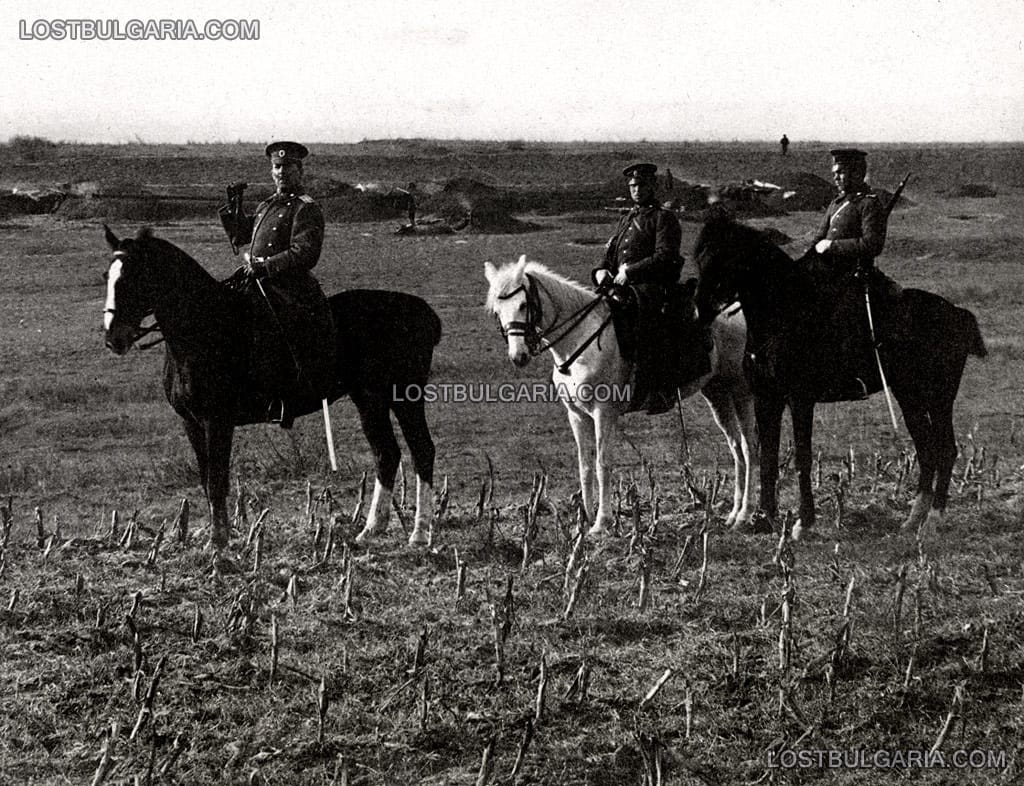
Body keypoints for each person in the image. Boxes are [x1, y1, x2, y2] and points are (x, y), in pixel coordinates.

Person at [218, 141, 337, 427]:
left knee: (273, 330)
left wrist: (265, 266)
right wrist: (234, 206)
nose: (281, 172)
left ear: (300, 171)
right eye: (276, 167)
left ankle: (284, 398)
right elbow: (241, 237)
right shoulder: (266, 205)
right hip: (257, 282)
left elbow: (305, 253)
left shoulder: (305, 208)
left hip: (288, 287)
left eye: (287, 167)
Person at [593, 163, 706, 414]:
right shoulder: (626, 219)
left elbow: (665, 256)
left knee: (648, 326)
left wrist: (630, 272)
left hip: (652, 289)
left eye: (642, 185)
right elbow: (612, 255)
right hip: (622, 289)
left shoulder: (663, 218)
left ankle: (659, 389)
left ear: (652, 186)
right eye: (632, 185)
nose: (636, 190)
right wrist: (601, 270)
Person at [808, 147, 903, 400]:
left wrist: (833, 246)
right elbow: (819, 239)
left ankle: (855, 378)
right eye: (834, 172)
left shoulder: (869, 204)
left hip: (856, 276)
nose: (836, 177)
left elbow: (873, 245)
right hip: (829, 276)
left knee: (846, 315)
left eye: (841, 172)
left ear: (857, 172)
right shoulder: (836, 203)